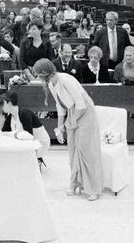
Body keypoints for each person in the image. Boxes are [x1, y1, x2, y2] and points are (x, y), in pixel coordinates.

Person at [33, 59, 102, 201]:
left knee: (85, 150)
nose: (38, 78)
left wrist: (71, 122)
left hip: (85, 112)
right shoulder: (51, 84)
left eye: (39, 75)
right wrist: (60, 127)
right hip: (73, 112)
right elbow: (60, 107)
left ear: (44, 73)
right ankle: (75, 183)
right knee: (73, 150)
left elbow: (81, 104)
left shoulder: (66, 80)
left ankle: (92, 189)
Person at [0, 90, 51, 170]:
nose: (1, 106)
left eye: (2, 103)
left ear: (9, 103)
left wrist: (14, 134)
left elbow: (29, 136)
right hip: (28, 143)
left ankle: (37, 159)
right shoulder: (10, 117)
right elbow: (2, 133)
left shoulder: (24, 113)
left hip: (39, 144)